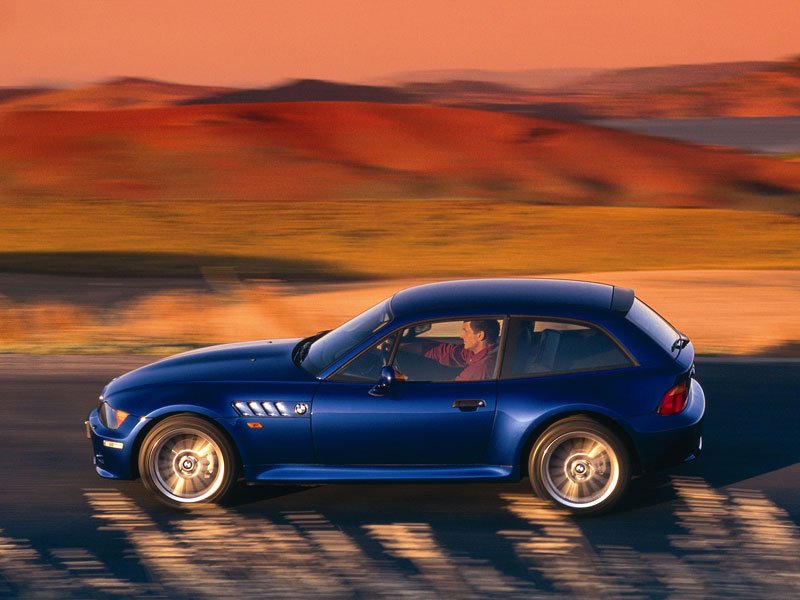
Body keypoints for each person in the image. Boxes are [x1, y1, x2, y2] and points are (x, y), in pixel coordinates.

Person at [406, 319, 500, 381]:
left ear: (480, 335)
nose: (461, 335)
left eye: (465, 331)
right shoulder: (481, 352)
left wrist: (406, 379)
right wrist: (403, 347)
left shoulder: (481, 368)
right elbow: (451, 353)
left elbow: (449, 392)